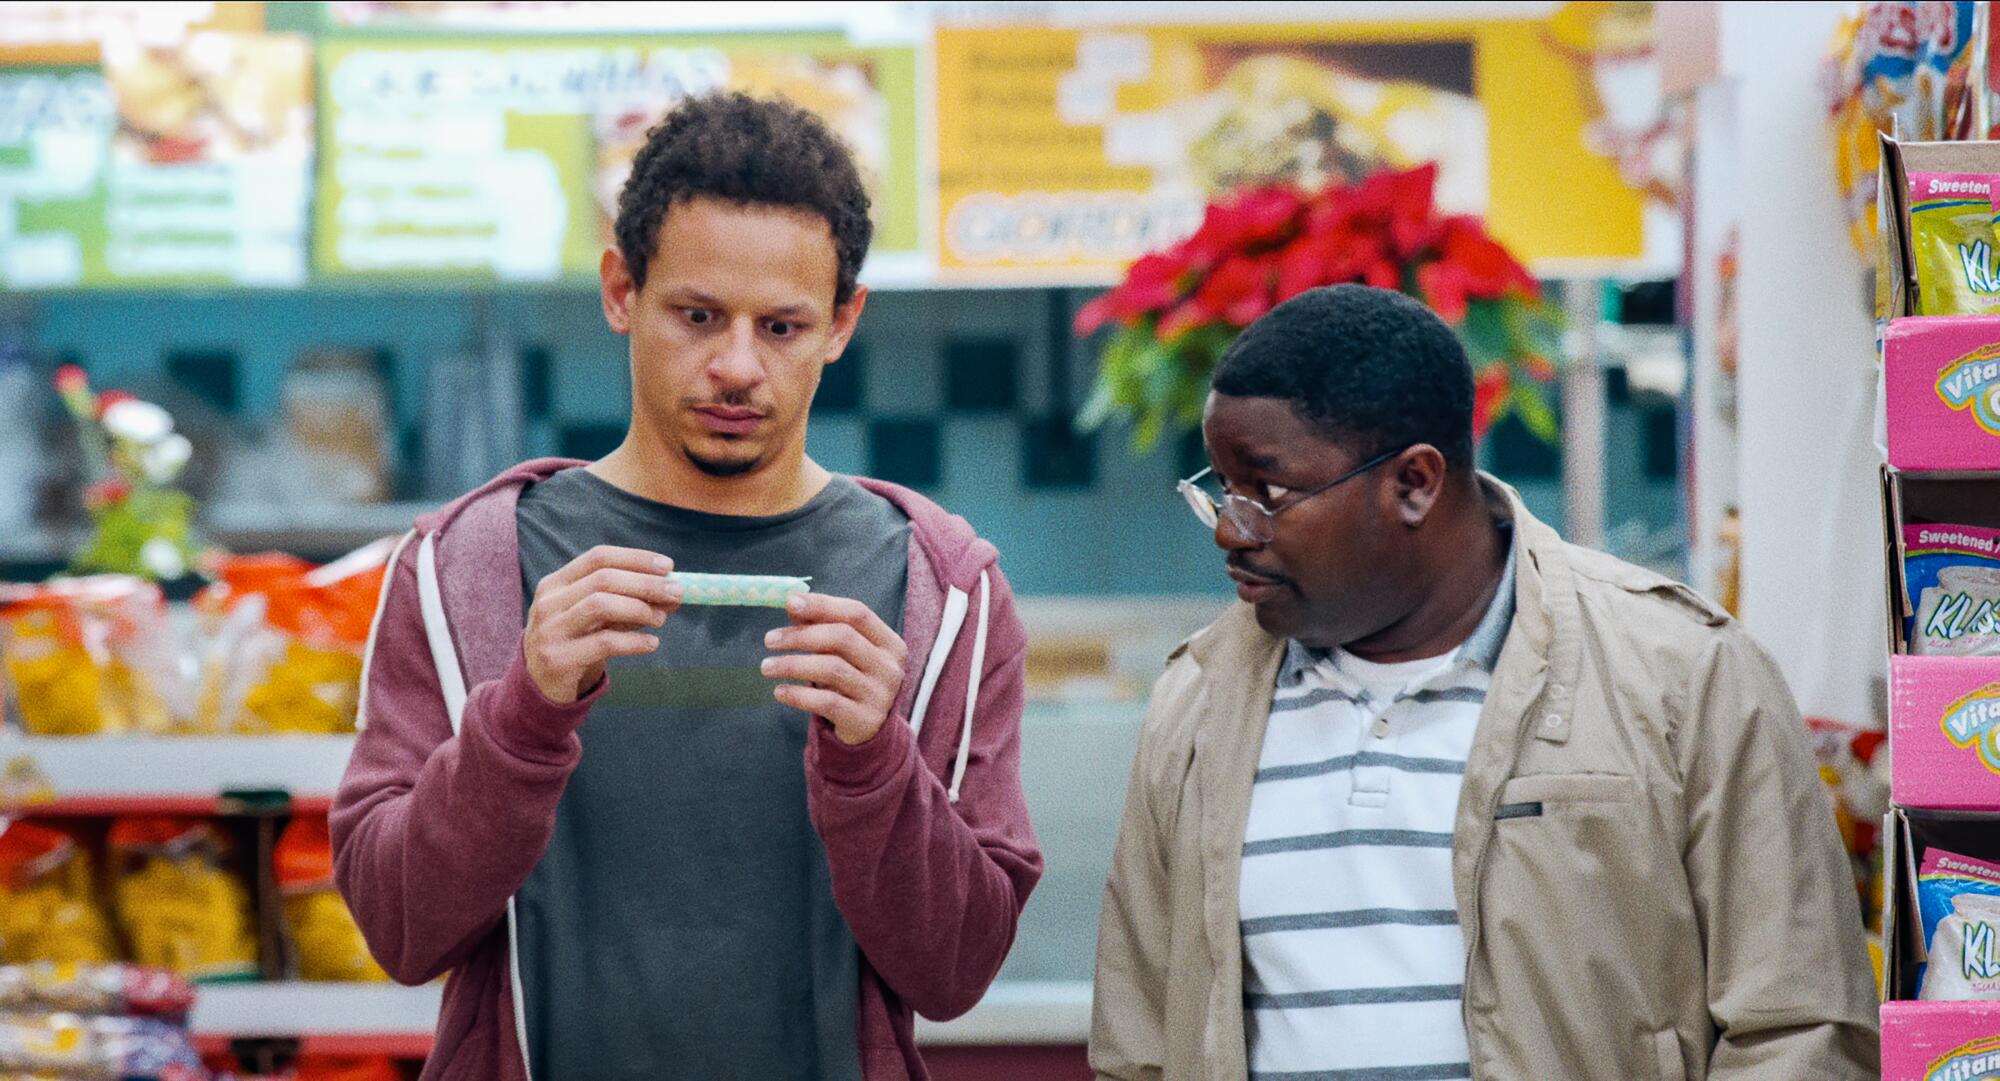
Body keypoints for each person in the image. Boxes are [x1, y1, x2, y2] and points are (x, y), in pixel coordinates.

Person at [332, 91, 1042, 1081]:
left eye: (783, 326)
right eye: (697, 315)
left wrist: (876, 764)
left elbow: (956, 968)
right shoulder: (468, 568)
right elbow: (397, 932)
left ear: (843, 323)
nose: (736, 366)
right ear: (621, 290)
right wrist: (523, 718)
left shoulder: (939, 590)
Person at [1089, 284, 1877, 1081]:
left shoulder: (1681, 673)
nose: (1230, 529)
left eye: (1267, 492)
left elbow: (1800, 1024)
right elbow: (1140, 1047)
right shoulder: (1197, 703)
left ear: (1415, 483)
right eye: (1221, 490)